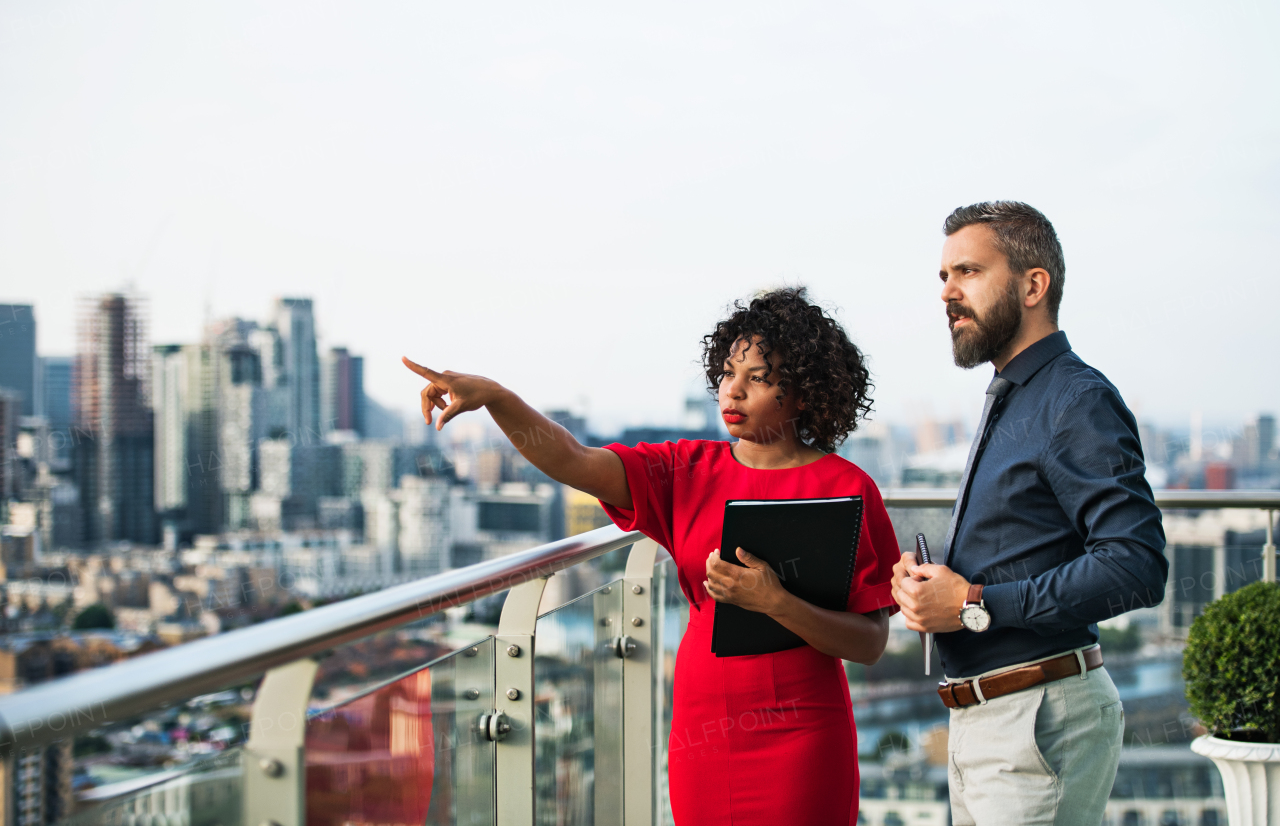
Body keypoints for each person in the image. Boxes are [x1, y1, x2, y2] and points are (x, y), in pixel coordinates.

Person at [403, 287, 900, 826]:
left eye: (757, 378)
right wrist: (497, 397)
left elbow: (870, 643)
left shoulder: (847, 488)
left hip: (805, 733)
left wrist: (776, 602)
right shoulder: (685, 470)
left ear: (804, 392)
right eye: (728, 373)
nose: (732, 391)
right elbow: (573, 460)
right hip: (705, 725)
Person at [890, 202, 1169, 826]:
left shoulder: (1075, 399)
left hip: (1035, 721)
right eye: (942, 277)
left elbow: (1137, 564)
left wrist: (972, 603)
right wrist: (929, 587)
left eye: (967, 272)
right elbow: (1022, 542)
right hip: (986, 723)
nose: (947, 294)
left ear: (1032, 284)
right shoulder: (1013, 396)